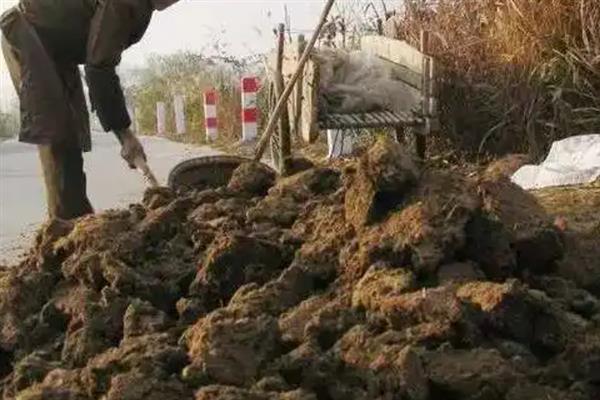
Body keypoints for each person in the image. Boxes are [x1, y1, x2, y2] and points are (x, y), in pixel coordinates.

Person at [0, 0, 180, 220]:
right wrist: (125, 135)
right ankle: (66, 234)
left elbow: (99, 57)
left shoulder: (141, 7)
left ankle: (75, 222)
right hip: (29, 35)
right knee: (59, 136)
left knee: (72, 134)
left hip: (57, 51)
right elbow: (99, 67)